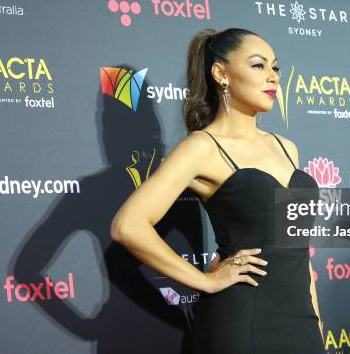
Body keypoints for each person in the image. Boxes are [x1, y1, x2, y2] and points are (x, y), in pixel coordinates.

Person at [110, 27, 324, 353]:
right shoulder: (203, 147)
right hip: (242, 323)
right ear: (221, 73)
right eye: (258, 65)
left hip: (300, 321)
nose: (272, 77)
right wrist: (205, 280)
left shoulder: (287, 148)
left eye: (275, 67)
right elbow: (128, 226)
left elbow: (297, 253)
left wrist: (317, 324)